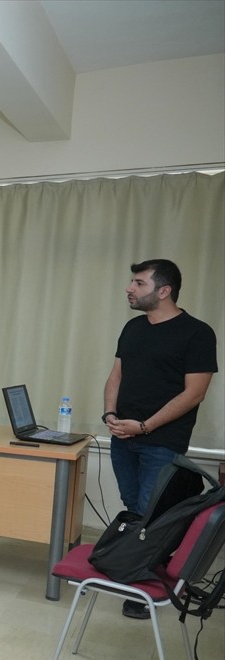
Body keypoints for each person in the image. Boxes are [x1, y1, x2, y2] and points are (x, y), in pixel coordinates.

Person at [103, 259, 217, 619]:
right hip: (124, 437)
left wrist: (146, 426)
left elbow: (194, 393)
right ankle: (132, 572)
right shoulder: (134, 328)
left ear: (163, 291)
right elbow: (116, 376)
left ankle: (142, 589)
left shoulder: (197, 333)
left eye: (138, 283)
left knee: (155, 516)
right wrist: (110, 415)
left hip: (161, 441)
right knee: (135, 508)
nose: (129, 288)